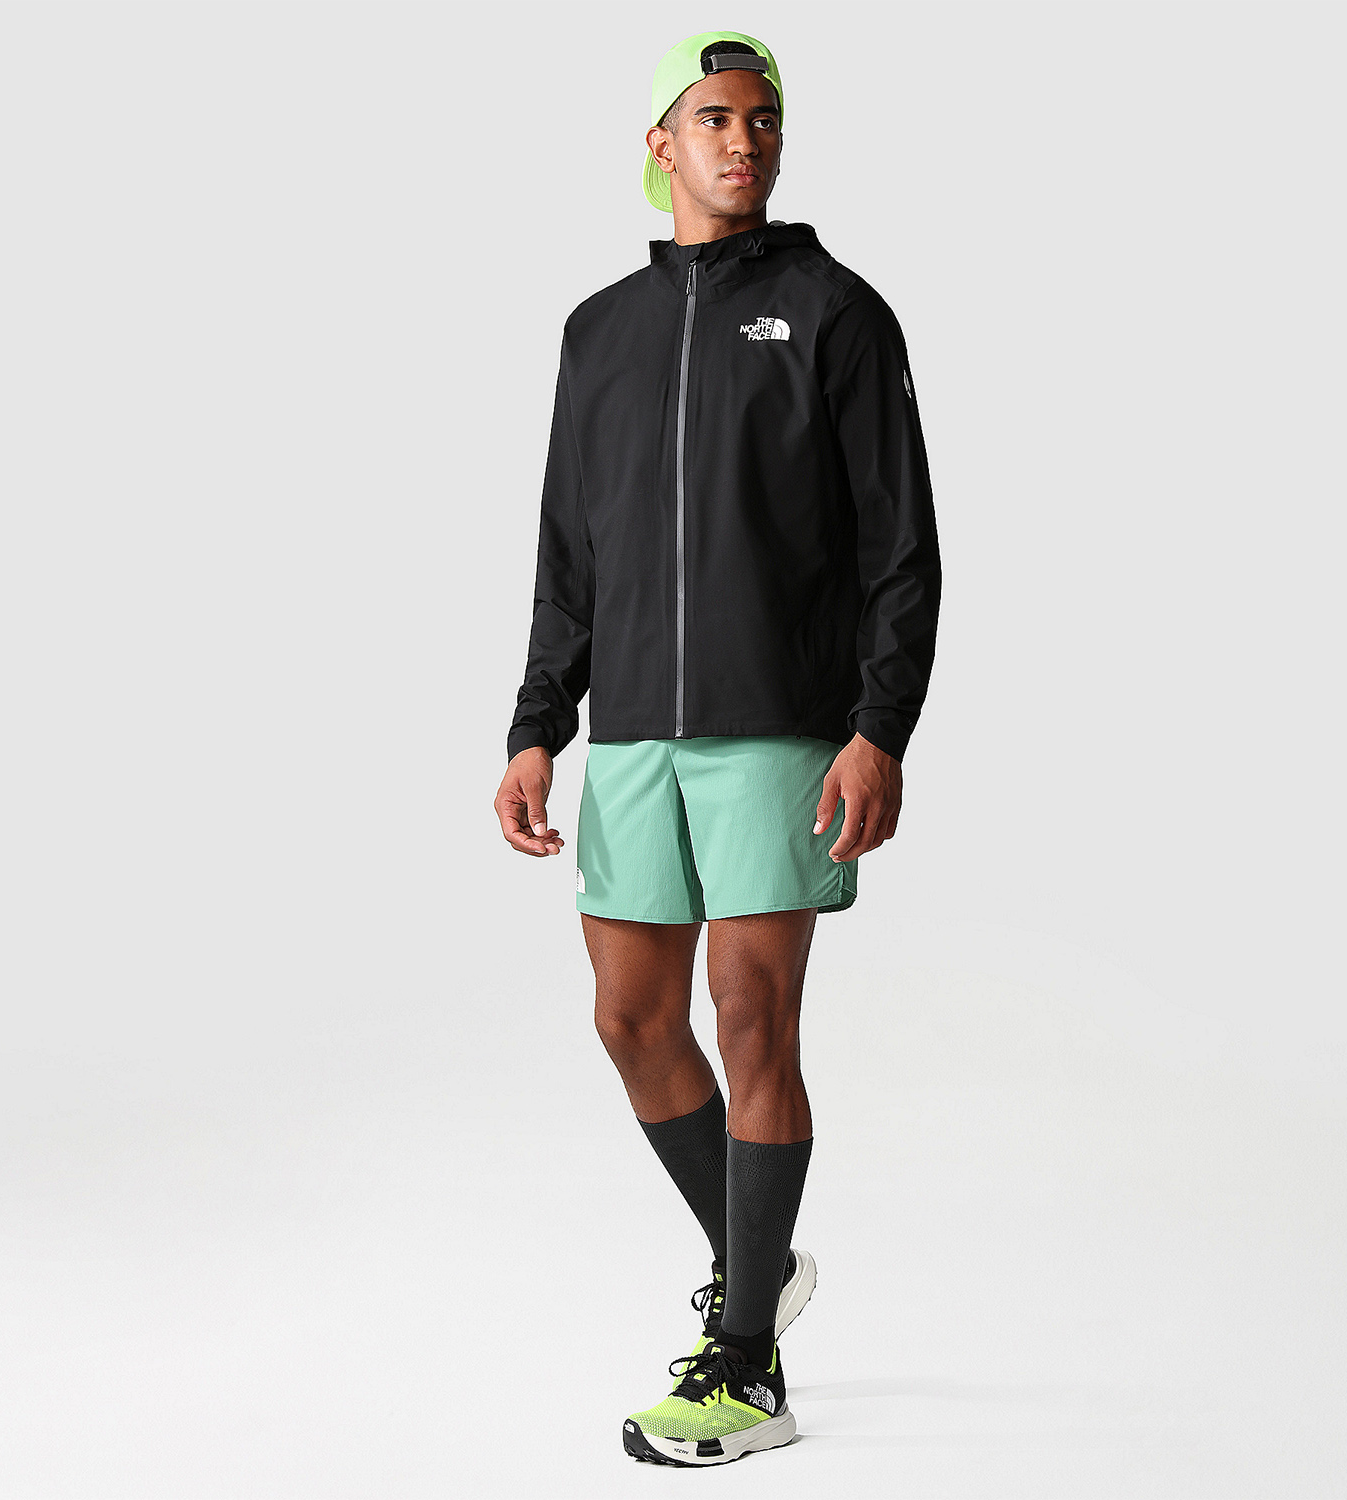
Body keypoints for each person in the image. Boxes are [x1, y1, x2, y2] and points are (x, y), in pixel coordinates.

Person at [494, 30, 941, 1467]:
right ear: (661, 145)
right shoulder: (598, 332)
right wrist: (537, 724)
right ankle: (759, 1264)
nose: (744, 141)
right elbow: (569, 550)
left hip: (778, 728)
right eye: (714, 118)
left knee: (753, 1021)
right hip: (631, 730)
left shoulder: (835, 312)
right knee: (632, 1021)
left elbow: (902, 546)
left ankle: (746, 1362)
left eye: (763, 120)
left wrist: (877, 729)